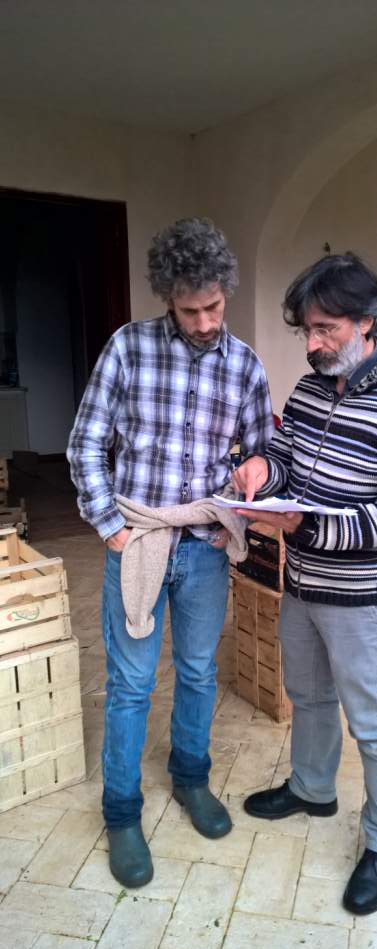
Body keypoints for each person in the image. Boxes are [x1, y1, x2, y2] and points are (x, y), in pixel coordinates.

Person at [67, 217, 275, 888]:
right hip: (139, 542)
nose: (206, 321)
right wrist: (111, 527)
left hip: (205, 546)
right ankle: (122, 812)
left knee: (198, 672)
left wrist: (256, 474)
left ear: (225, 292)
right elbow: (85, 444)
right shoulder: (127, 348)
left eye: (214, 306)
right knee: (131, 684)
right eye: (191, 311)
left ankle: (191, 778)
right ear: (167, 298)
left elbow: (262, 450)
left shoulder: (245, 364)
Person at [232, 253, 377, 916]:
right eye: (307, 330)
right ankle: (313, 789)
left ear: (367, 323)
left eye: (326, 329)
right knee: (309, 696)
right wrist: (262, 469)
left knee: (373, 721)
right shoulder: (310, 387)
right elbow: (287, 459)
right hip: (302, 583)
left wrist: (306, 526)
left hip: (362, 599)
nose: (312, 343)